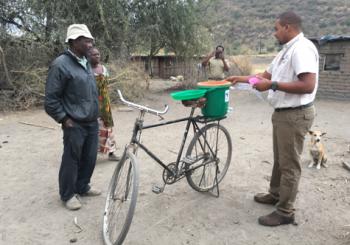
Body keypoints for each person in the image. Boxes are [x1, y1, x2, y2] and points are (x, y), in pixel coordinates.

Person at [226, 11, 319, 226]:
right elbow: (263, 77)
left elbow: (308, 85)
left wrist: (273, 85)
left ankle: (286, 211)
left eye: (276, 29)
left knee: (289, 164)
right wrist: (239, 78)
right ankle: (276, 194)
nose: (274, 33)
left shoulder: (302, 49)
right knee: (280, 159)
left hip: (295, 114)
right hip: (283, 114)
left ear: (288, 27)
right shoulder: (286, 51)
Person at [45, 24, 101, 211]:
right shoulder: (60, 64)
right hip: (74, 123)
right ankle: (68, 195)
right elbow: (51, 100)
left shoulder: (86, 62)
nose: (90, 43)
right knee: (72, 159)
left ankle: (82, 187)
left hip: (92, 121)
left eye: (90, 40)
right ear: (74, 41)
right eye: (86, 40)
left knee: (90, 157)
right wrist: (64, 118)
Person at [88, 47, 119, 161]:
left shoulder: (104, 68)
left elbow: (107, 85)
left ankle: (111, 153)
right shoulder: (86, 70)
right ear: (88, 56)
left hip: (105, 103)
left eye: (98, 54)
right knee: (94, 130)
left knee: (108, 128)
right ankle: (91, 155)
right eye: (93, 55)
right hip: (92, 103)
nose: (97, 56)